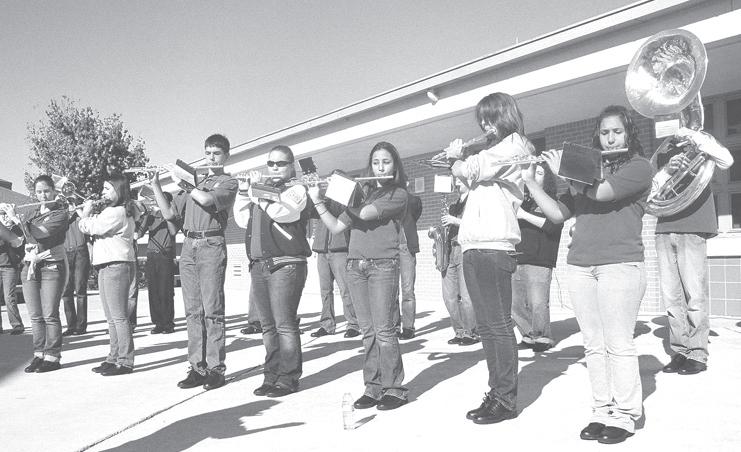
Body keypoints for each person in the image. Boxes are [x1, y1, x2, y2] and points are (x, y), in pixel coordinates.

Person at [524, 105, 653, 444]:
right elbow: (557, 214)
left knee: (618, 343)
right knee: (593, 345)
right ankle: (602, 410)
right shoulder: (589, 170)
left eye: (617, 132)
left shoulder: (639, 167)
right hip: (581, 266)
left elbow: (601, 193)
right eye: (605, 132)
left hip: (620, 264)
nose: (610, 139)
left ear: (628, 134)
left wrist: (566, 171)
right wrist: (532, 183)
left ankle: (625, 414)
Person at [446, 92, 529, 425]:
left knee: (499, 326)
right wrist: (458, 166)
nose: (485, 126)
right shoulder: (492, 150)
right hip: (474, 244)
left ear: (505, 116)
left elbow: (473, 168)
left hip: (494, 246)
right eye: (482, 120)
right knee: (487, 327)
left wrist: (457, 157)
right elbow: (467, 181)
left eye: (490, 119)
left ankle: (506, 399)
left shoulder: (515, 145)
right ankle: (496, 393)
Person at [309, 141, 410, 411]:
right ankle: (373, 387)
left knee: (384, 330)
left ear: (395, 165)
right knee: (367, 332)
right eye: (376, 162)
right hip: (355, 267)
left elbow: (365, 213)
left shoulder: (398, 194)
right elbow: (335, 226)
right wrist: (318, 199)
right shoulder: (362, 195)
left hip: (382, 266)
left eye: (386, 162)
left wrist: (342, 191)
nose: (380, 167)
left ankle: (394, 389)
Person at [151, 134, 237, 391]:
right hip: (189, 245)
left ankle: (215, 368)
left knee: (212, 310)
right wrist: (156, 186)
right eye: (208, 152)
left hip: (211, 244)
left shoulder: (227, 182)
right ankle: (197, 367)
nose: (211, 157)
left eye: (216, 153)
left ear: (226, 155)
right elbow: (170, 214)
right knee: (193, 311)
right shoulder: (195, 184)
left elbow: (208, 200)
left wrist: (188, 185)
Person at [233, 145, 312, 397]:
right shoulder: (263, 192)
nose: (275, 168)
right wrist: (244, 191)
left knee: (284, 324)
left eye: (280, 163)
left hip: (286, 264)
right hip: (259, 265)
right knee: (267, 326)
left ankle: (288, 378)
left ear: (291, 166)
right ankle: (271, 375)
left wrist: (256, 191)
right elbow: (241, 219)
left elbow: (282, 213)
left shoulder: (296, 189)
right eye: (271, 163)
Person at [656, 127, 733, 375]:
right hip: (665, 226)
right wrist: (667, 169)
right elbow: (652, 189)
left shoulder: (703, 142)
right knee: (672, 297)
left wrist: (694, 136)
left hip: (694, 225)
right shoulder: (664, 150)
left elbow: (727, 161)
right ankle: (680, 350)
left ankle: (697, 353)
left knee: (695, 295)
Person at [0, 175, 69, 372]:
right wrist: (6, 221)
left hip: (51, 266)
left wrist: (16, 218)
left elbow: (38, 234)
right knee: (35, 316)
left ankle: (52, 356)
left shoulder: (60, 214)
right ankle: (39, 354)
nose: (43, 195)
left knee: (50, 314)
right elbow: (18, 239)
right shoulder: (31, 212)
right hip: (29, 266)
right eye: (39, 192)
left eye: (46, 191)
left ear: (54, 191)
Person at [78, 175, 137, 376]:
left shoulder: (116, 211)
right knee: (111, 317)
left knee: (119, 317)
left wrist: (86, 212)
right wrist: (88, 213)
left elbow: (90, 227)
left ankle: (125, 361)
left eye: (107, 188)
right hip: (107, 265)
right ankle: (113, 357)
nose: (103, 193)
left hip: (116, 265)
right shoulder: (112, 211)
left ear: (119, 191)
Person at [511, 163, 563, 352]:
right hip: (517, 257)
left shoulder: (551, 201)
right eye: (533, 172)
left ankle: (543, 337)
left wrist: (524, 215)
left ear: (547, 178)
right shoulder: (522, 200)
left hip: (540, 259)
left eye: (539, 173)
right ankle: (528, 334)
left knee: (537, 303)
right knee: (515, 304)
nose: (534, 175)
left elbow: (553, 226)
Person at [309, 196, 359, 339]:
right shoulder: (322, 198)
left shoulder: (344, 198)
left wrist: (323, 200)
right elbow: (312, 213)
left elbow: (340, 210)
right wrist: (313, 198)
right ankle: (327, 324)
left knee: (345, 289)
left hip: (340, 248)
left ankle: (353, 324)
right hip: (322, 249)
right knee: (325, 290)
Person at [439, 184, 478, 346]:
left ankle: (471, 332)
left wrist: (455, 221)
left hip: (464, 248)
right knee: (449, 297)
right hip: (450, 250)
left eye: (459, 179)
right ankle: (459, 331)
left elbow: (478, 225)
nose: (456, 182)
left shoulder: (475, 200)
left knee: (467, 296)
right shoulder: (454, 205)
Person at [139, 193, 178, 334]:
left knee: (165, 291)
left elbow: (173, 231)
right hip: (151, 255)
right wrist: (146, 216)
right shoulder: (151, 216)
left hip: (165, 254)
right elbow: (139, 234)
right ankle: (158, 323)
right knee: (153, 291)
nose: (157, 203)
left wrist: (163, 212)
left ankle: (168, 323)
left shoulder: (171, 215)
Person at [60, 182, 91, 336]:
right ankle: (71, 326)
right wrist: (65, 208)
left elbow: (87, 222)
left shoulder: (82, 212)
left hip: (80, 251)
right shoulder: (61, 214)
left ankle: (81, 326)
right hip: (65, 252)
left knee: (80, 289)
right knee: (66, 291)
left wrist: (77, 207)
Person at [395, 193, 422, 340]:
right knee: (392, 291)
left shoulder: (411, 199)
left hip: (406, 247)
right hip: (390, 248)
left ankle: (408, 328)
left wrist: (402, 192)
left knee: (407, 290)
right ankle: (394, 326)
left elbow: (416, 209)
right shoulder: (386, 199)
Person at [0, 209, 24, 335]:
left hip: (9, 266)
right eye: (1, 214)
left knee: (9, 297)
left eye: (5, 214)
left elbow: (20, 242)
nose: (4, 217)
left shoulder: (15, 228)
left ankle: (17, 325)